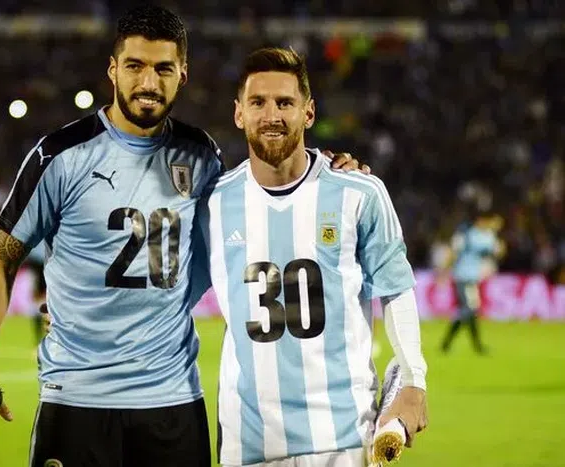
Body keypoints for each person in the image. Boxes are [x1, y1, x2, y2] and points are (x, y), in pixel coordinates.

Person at [0, 6, 365, 467]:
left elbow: (252, 217)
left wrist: (330, 171)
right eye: (135, 66)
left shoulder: (201, 156)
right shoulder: (60, 155)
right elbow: (1, 257)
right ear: (113, 70)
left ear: (182, 75)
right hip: (76, 400)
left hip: (172, 404)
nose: (148, 82)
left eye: (163, 69)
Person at [192, 47, 428, 467]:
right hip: (249, 444)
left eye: (285, 103)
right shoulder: (211, 203)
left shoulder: (359, 193)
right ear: (239, 113)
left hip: (345, 439)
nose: (272, 115)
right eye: (258, 102)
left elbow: (395, 288)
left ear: (309, 112)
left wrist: (413, 378)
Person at [441, 210, 504, 355]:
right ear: (480, 220)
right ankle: (469, 345)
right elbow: (453, 252)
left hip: (473, 279)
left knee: (469, 311)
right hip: (462, 277)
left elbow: (499, 253)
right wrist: (444, 270)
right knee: (469, 309)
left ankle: (452, 344)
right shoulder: (467, 234)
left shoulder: (489, 236)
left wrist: (497, 234)